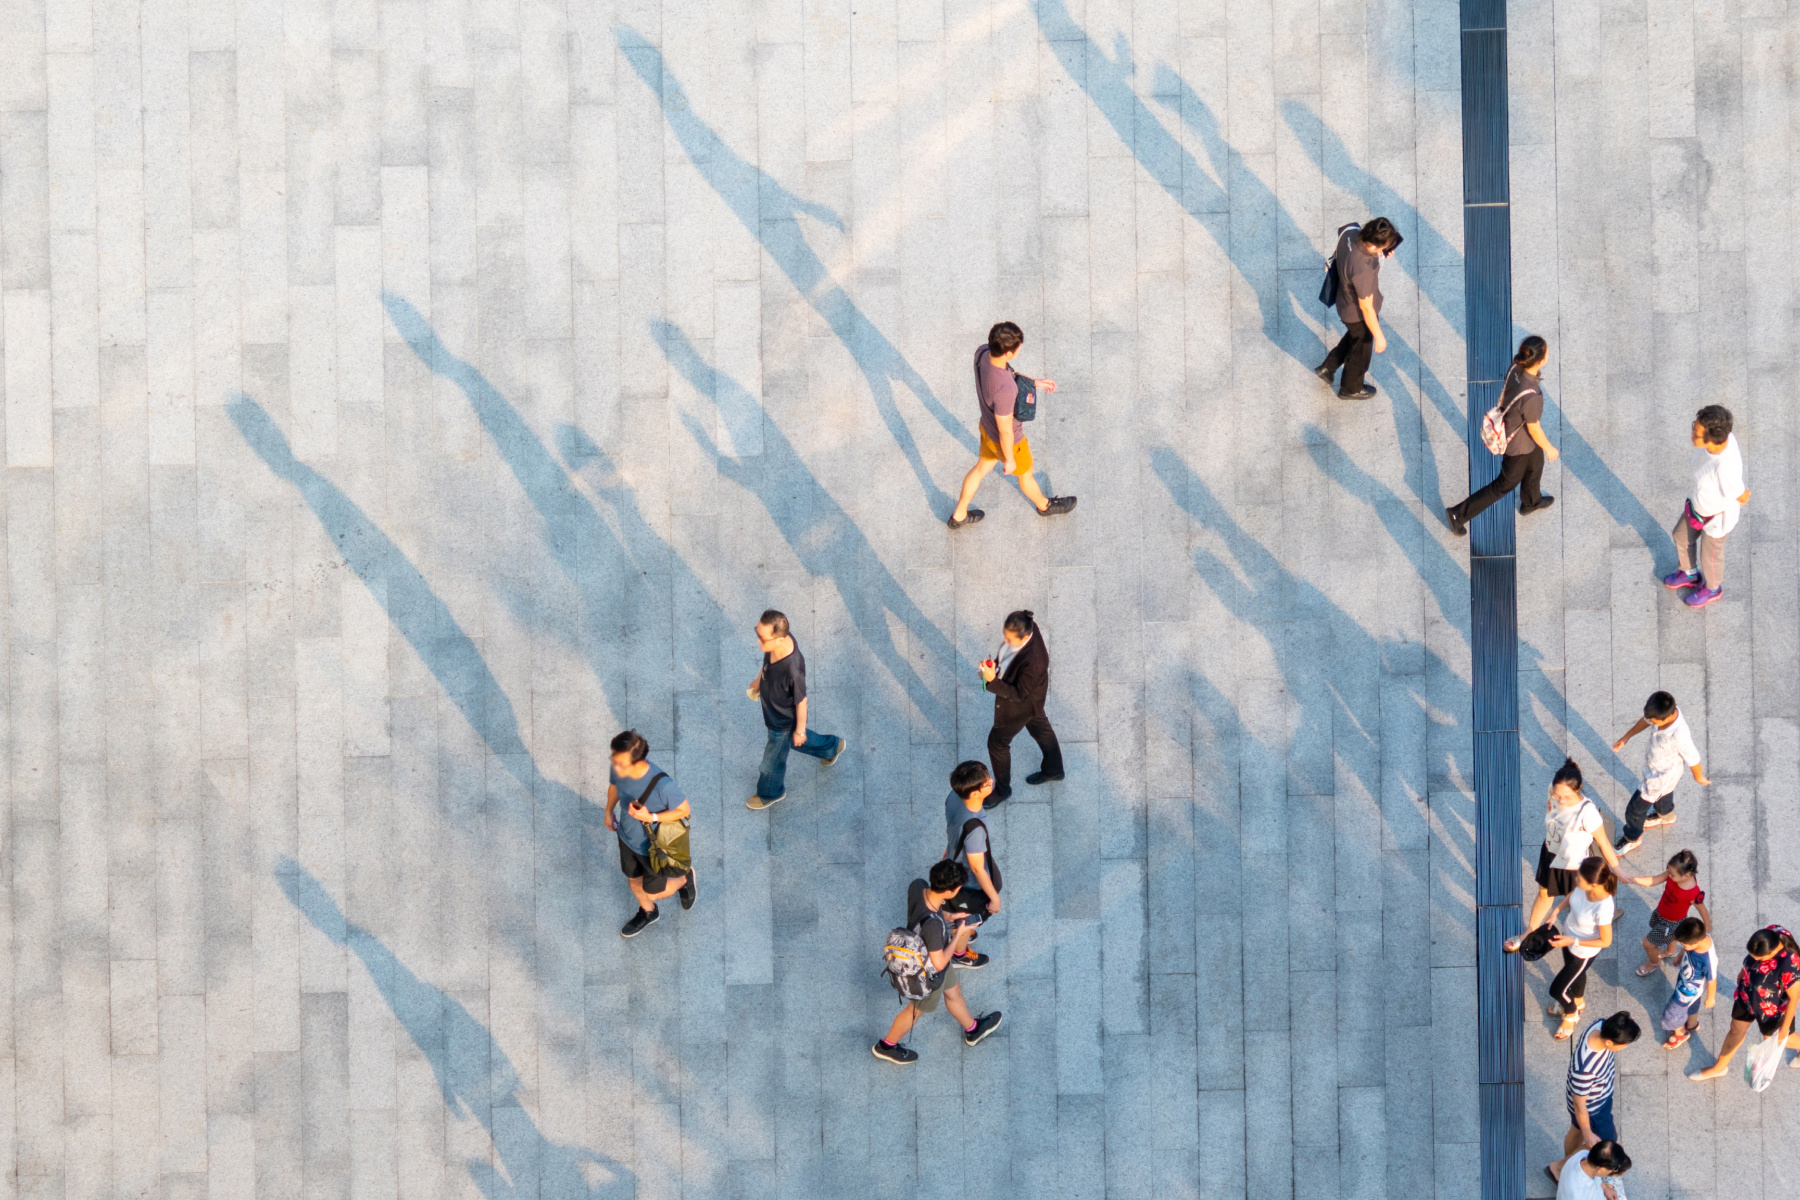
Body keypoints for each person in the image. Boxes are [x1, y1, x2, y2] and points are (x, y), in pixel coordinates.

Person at [871, 860, 1004, 1064]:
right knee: (915, 1010)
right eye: (957, 889)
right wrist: (958, 932)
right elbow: (940, 962)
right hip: (928, 972)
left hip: (930, 955)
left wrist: (951, 916)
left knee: (953, 991)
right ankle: (887, 1046)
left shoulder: (919, 886)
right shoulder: (933, 926)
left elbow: (930, 910)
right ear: (949, 892)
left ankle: (973, 1029)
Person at [947, 321, 1076, 527]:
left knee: (980, 468)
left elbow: (1007, 375)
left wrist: (1033, 383)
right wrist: (1009, 460)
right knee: (1026, 475)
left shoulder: (982, 352)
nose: (1019, 350)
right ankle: (1044, 505)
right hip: (1009, 442)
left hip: (986, 430)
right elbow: (1005, 431)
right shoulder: (1004, 391)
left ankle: (959, 515)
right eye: (1017, 348)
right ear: (1007, 353)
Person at [1503, 759, 1623, 953]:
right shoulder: (1554, 793)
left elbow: (1604, 843)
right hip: (1551, 854)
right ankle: (1529, 932)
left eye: (1565, 796)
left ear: (1578, 789)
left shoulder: (1588, 813)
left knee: (1583, 898)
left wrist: (1617, 869)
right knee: (1544, 893)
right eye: (1556, 794)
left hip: (1575, 864)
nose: (1560, 800)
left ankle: (1604, 917)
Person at [1447, 335, 1559, 535]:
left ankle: (1531, 502)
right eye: (1547, 351)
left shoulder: (1515, 367)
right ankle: (1458, 514)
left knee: (1535, 467)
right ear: (1540, 360)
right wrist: (1549, 447)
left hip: (1520, 434)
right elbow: (1534, 428)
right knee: (1503, 485)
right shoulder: (1533, 395)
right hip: (1518, 445)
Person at [745, 610, 845, 810]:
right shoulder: (775, 642)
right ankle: (831, 747)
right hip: (774, 710)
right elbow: (766, 662)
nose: (759, 641)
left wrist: (799, 730)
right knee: (795, 742)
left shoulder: (793, 672)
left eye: (762, 638)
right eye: (758, 633)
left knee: (771, 763)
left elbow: (802, 702)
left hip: (781, 722)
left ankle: (770, 793)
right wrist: (758, 681)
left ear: (780, 640)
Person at [604, 730, 696, 938]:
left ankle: (685, 879)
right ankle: (648, 912)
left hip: (652, 848)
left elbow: (684, 810)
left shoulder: (663, 785)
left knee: (654, 891)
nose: (613, 763)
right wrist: (608, 812)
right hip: (627, 838)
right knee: (633, 881)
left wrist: (651, 817)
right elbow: (614, 788)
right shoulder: (621, 770)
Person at [1686, 925, 1800, 1081]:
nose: (1754, 960)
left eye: (1759, 959)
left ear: (1771, 952)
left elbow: (1794, 998)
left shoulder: (1790, 964)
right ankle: (1719, 1068)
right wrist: (1743, 972)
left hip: (1771, 1010)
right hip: (1746, 996)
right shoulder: (1770, 934)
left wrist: (1784, 1031)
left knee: (1775, 1040)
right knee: (1735, 1030)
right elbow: (1750, 961)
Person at [1664, 404, 1749, 608]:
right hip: (1697, 507)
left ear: (1713, 438)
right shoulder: (1722, 440)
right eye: (1695, 426)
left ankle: (1712, 589)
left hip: (1716, 520)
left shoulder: (1724, 466)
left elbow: (1741, 495)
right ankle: (1689, 573)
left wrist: (1740, 495)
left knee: (1710, 558)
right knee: (1680, 536)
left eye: (1697, 431)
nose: (1692, 432)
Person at [978, 609, 1063, 802]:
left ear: (1025, 636)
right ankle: (1054, 769)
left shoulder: (1034, 662)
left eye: (1010, 639)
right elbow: (1009, 655)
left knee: (997, 743)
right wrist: (995, 666)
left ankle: (1002, 790)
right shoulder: (1028, 627)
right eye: (1005, 636)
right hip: (1034, 699)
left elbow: (1019, 694)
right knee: (1040, 727)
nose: (1006, 641)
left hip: (1022, 706)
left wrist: (992, 681)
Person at [1548, 1011, 1640, 1184]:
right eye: (1623, 1044)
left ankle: (1565, 1164)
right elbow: (1579, 1104)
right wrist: (1588, 1132)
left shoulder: (1601, 1024)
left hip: (1598, 1096)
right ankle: (1560, 1167)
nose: (1624, 1047)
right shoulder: (1585, 1068)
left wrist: (1627, 1023)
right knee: (1605, 1142)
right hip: (1592, 1108)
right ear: (1609, 1042)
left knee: (1576, 1128)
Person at [1314, 216, 1400, 399]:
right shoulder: (1363, 269)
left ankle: (1327, 367)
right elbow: (1367, 309)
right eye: (1383, 247)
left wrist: (1381, 252)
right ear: (1372, 246)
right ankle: (1350, 389)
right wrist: (1379, 337)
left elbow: (1348, 241)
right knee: (1361, 350)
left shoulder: (1351, 231)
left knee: (1355, 337)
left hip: (1344, 301)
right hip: (1356, 313)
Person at [1611, 691, 1708, 854]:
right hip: (1664, 770)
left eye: (1655, 722)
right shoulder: (1667, 711)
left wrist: (1699, 777)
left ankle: (1632, 837)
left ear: (1667, 718)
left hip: (1660, 777)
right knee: (1665, 795)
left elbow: (1693, 757)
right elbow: (1645, 721)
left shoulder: (1680, 735)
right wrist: (1626, 737)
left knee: (1634, 810)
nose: (1652, 723)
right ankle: (1666, 815)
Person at [1541, 858, 1620, 1039]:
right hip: (1567, 939)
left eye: (1580, 879)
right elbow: (1571, 896)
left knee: (1557, 990)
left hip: (1582, 951)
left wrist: (1572, 941)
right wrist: (1555, 911)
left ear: (1593, 884)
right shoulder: (1583, 888)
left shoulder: (1604, 906)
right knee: (1577, 975)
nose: (1576, 881)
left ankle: (1571, 1013)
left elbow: (1605, 941)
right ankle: (1578, 1000)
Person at [940, 760, 1002, 968]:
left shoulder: (954, 797)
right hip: (968, 884)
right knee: (966, 920)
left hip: (953, 861)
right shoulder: (975, 829)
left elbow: (952, 828)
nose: (990, 781)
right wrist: (994, 898)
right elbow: (977, 868)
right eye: (986, 782)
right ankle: (959, 953)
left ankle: (962, 931)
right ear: (975, 792)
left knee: (963, 917)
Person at [1623, 848, 1710, 977]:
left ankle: (1654, 963)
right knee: (1669, 937)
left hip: (1671, 925)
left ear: (1686, 875)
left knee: (1647, 944)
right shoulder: (1674, 873)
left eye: (1672, 875)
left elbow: (1702, 910)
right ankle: (1671, 950)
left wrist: (1706, 930)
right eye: (1669, 871)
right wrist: (1634, 880)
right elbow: (1655, 880)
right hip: (1661, 913)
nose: (1669, 875)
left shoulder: (1693, 892)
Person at [1657, 917, 1717, 1050]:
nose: (1683, 947)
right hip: (1688, 981)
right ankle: (1692, 1024)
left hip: (1687, 991)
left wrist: (1710, 998)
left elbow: (1712, 980)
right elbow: (1689, 948)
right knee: (1692, 1005)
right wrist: (1680, 954)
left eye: (1684, 945)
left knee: (1672, 1012)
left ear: (1696, 942)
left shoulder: (1708, 960)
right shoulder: (1702, 937)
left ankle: (1680, 1034)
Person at [1552, 1141, 1631, 1200]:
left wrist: (1606, 1188)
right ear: (1601, 1169)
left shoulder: (1583, 1154)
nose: (1613, 1171)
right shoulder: (1581, 1193)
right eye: (1614, 1169)